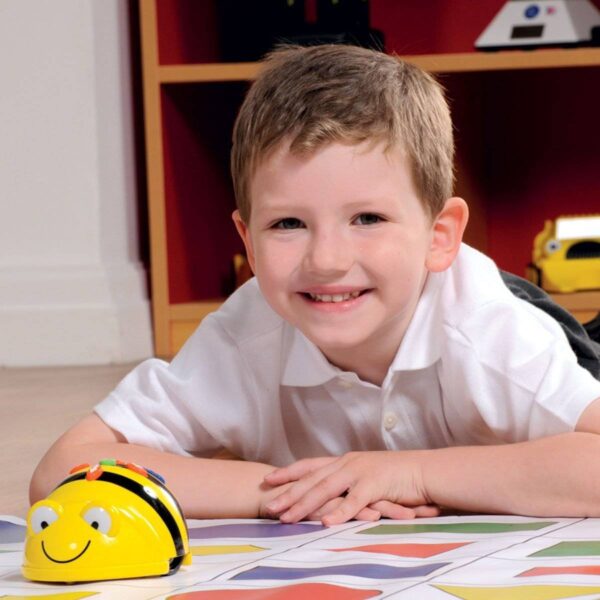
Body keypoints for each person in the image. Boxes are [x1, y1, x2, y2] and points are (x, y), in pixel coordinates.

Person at [30, 44, 600, 526]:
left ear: (439, 234)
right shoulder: (244, 337)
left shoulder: (489, 333)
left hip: (516, 310)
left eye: (367, 219)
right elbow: (62, 469)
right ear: (248, 242)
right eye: (287, 224)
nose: (326, 260)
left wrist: (412, 473)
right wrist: (285, 490)